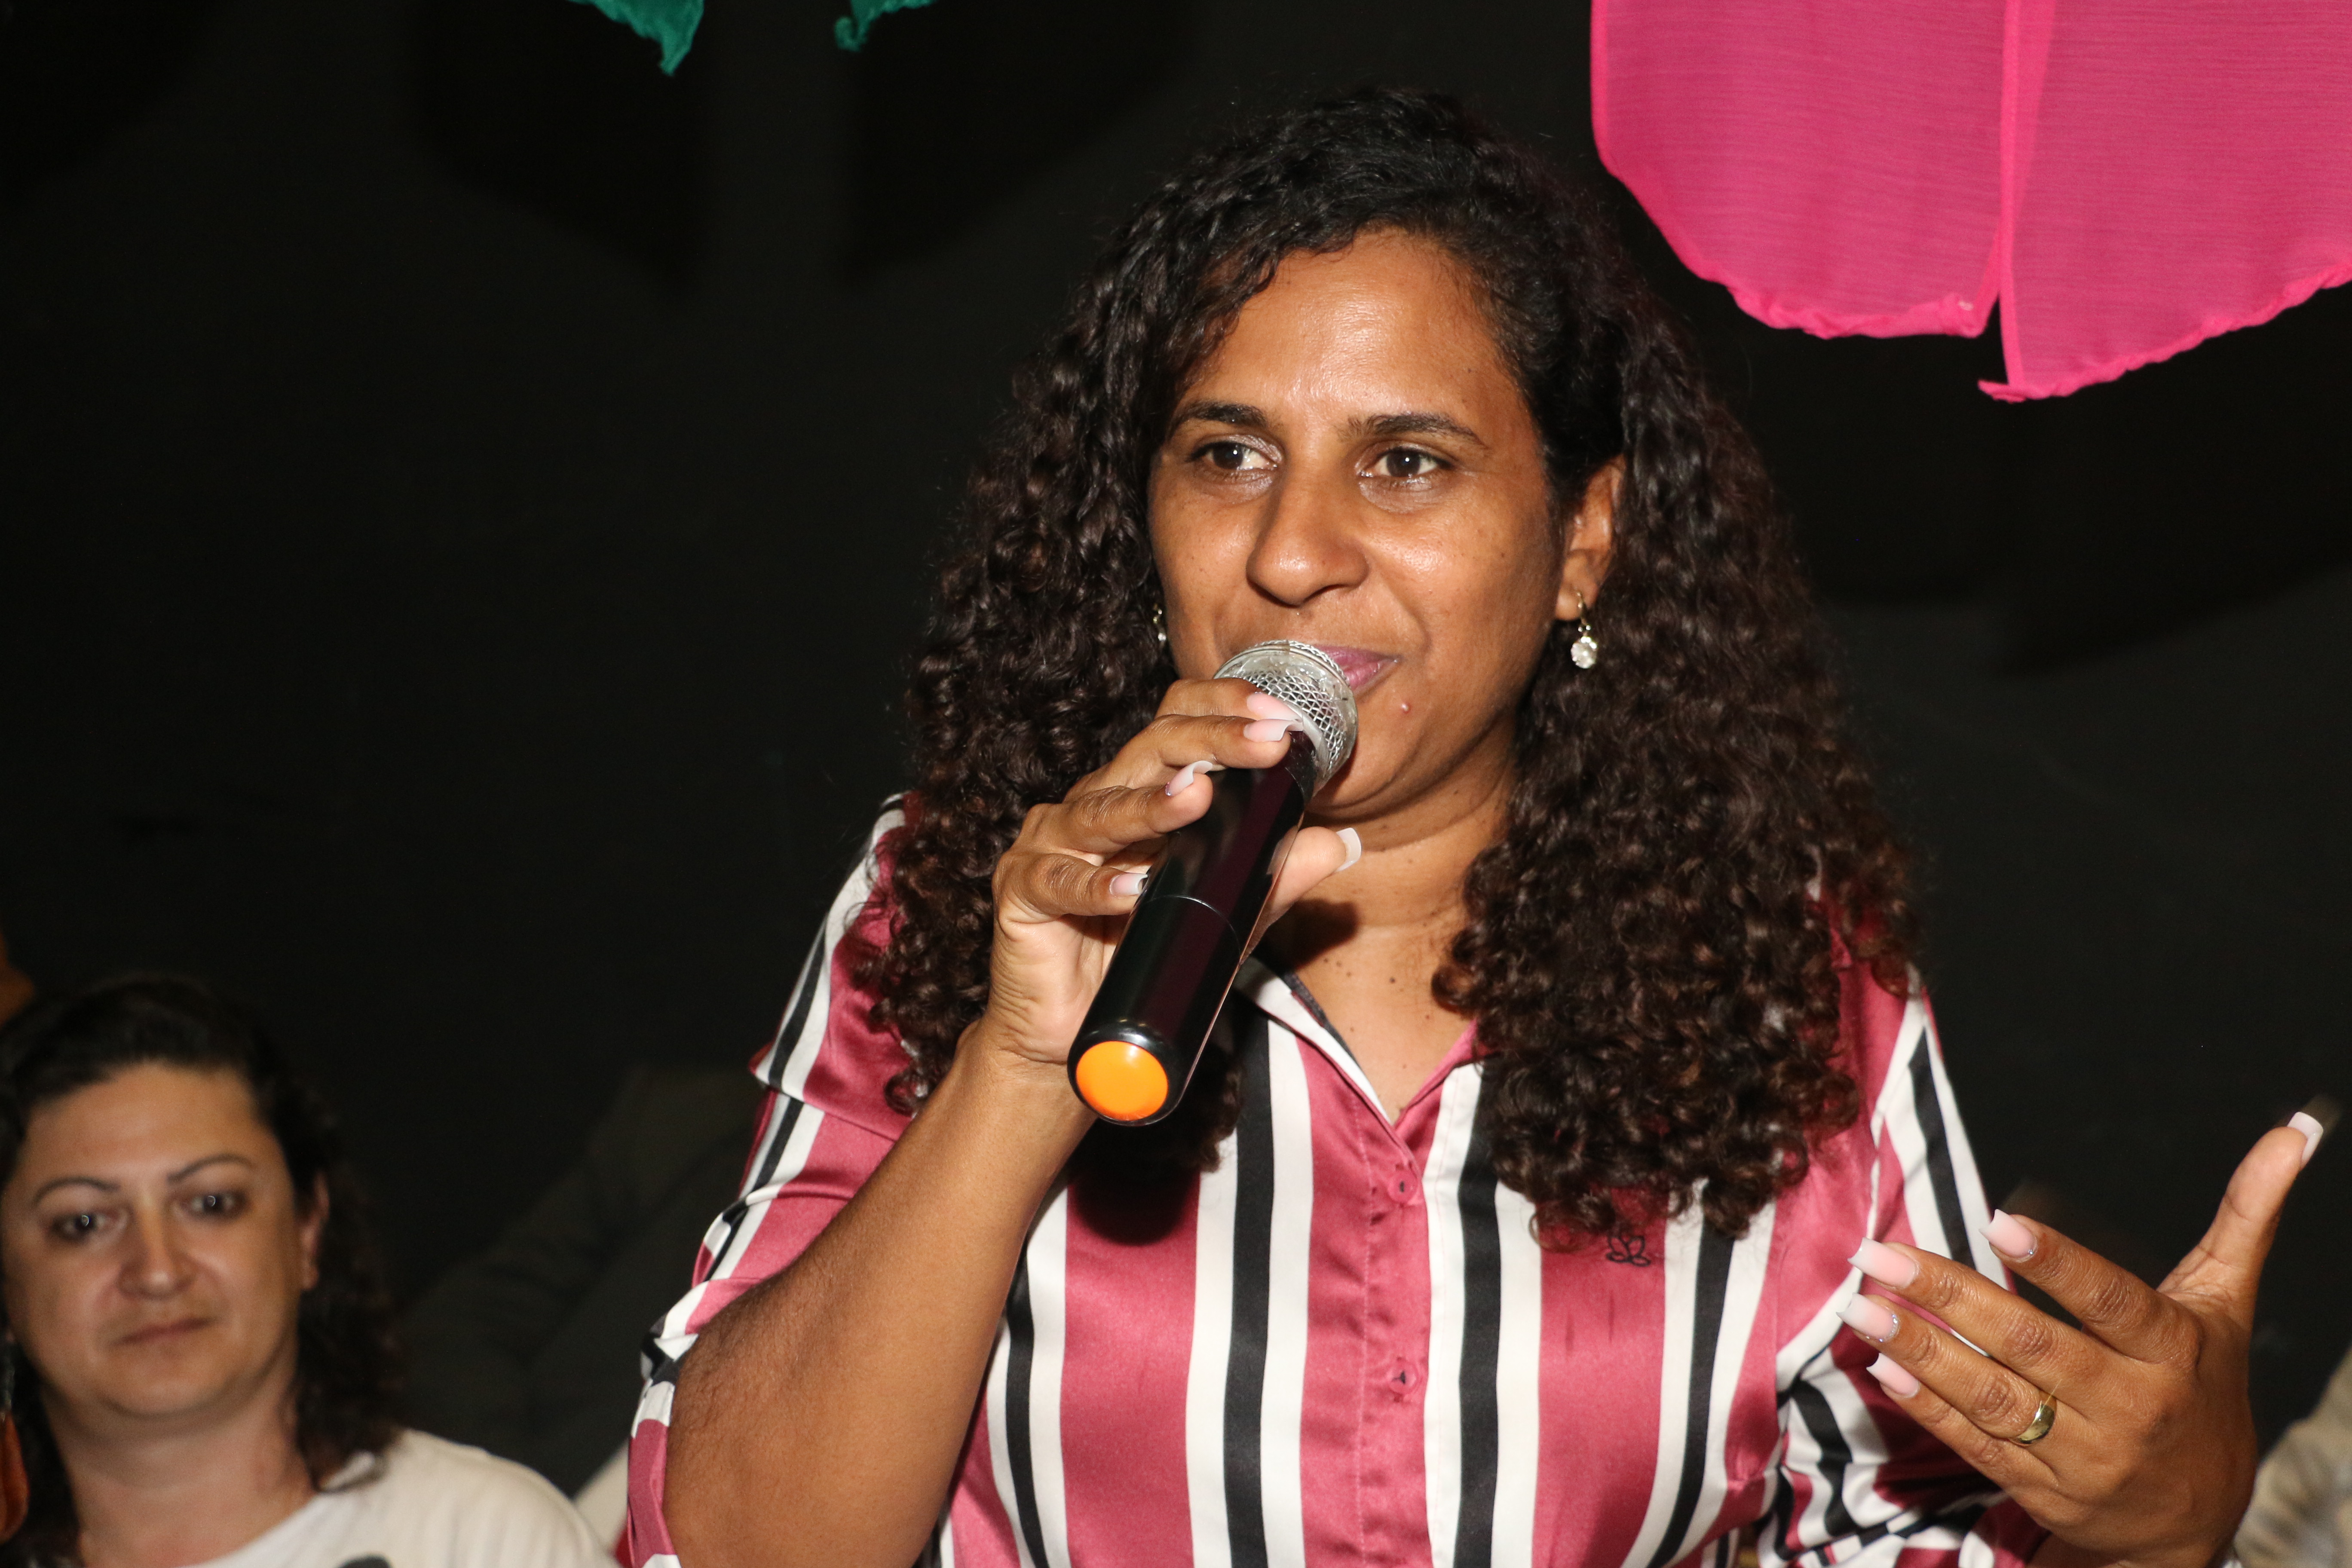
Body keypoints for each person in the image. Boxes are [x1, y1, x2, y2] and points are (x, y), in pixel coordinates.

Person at [629, 89, 2324, 1568]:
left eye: (1408, 464)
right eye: (1227, 453)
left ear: (1583, 540)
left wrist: (2150, 1529)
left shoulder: (1780, 973)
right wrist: (1015, 1069)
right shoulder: (966, 895)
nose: (1293, 553)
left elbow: (1903, 1536)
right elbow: (727, 1542)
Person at [0, 975, 608, 1567]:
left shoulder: (487, 1543)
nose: (157, 1271)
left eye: (212, 1204)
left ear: (307, 1231)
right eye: (83, 1223)